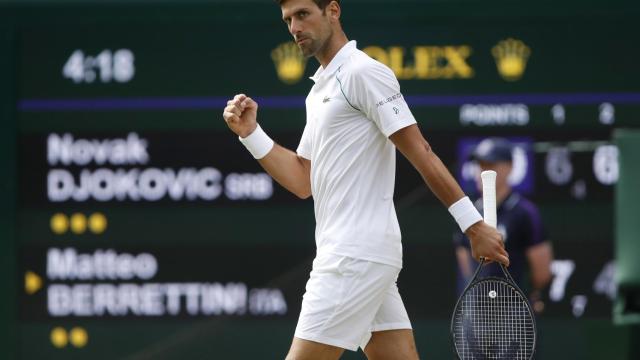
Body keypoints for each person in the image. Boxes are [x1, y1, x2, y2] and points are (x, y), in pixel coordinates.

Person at [222, 1, 509, 358]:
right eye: (288, 20)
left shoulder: (362, 72)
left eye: (303, 14)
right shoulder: (319, 91)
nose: (295, 27)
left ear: (333, 11)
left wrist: (473, 225)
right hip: (363, 256)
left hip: (352, 257)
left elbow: (421, 151)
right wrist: (251, 134)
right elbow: (301, 179)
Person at [453, 138, 553, 312]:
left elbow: (542, 271)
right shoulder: (468, 212)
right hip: (476, 311)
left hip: (514, 310)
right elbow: (464, 260)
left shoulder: (525, 213)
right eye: (479, 165)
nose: (481, 171)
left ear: (509, 167)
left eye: (489, 164)